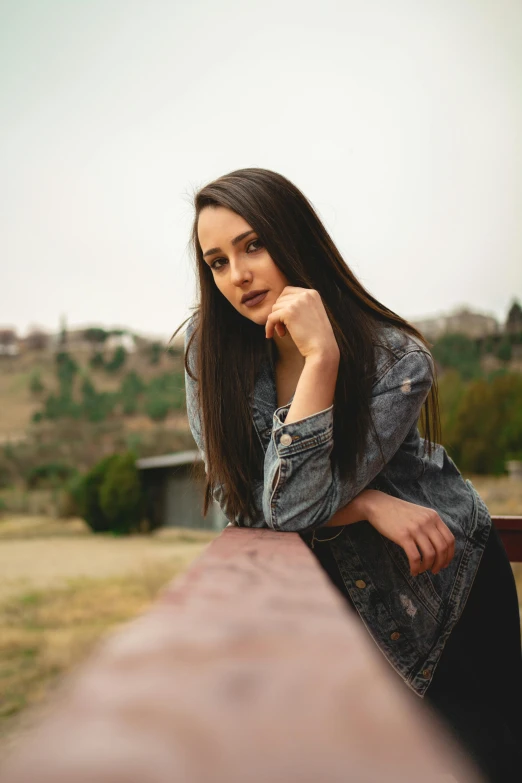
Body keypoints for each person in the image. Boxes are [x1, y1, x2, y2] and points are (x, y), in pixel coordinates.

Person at [177, 168, 522, 782]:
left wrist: (324, 356)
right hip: (336, 604)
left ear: (294, 239)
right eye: (217, 261)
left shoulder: (396, 359)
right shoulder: (209, 354)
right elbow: (251, 503)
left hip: (443, 587)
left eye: (253, 245)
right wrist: (368, 504)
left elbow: (286, 506)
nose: (238, 274)